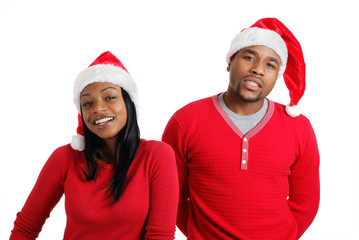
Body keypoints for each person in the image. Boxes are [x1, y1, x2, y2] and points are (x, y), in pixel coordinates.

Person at [162, 18, 320, 240]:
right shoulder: (185, 121)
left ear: (277, 75)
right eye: (249, 57)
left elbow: (306, 202)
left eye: (270, 64)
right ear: (230, 61)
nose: (258, 70)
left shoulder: (299, 127)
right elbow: (171, 197)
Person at [10, 51, 179, 239]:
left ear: (129, 103)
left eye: (109, 97)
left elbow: (160, 235)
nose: (97, 108)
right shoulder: (64, 158)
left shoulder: (157, 156)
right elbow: (25, 229)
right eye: (87, 103)